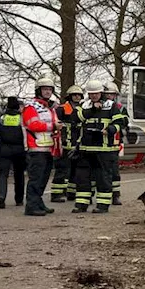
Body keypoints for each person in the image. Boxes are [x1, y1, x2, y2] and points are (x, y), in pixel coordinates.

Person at [73, 80, 119, 214]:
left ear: (101, 93)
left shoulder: (111, 106)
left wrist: (110, 129)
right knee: (82, 178)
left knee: (103, 178)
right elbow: (75, 118)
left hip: (103, 149)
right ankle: (81, 204)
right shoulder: (84, 105)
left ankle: (103, 205)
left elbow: (120, 121)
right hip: (85, 149)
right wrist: (93, 110)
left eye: (96, 93)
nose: (93, 96)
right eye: (91, 93)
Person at [21, 78, 59, 216]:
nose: (48, 92)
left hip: (48, 148)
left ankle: (38, 202)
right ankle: (31, 206)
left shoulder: (49, 107)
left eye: (50, 89)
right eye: (45, 89)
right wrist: (53, 126)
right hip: (35, 148)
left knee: (43, 178)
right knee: (36, 179)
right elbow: (32, 125)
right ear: (39, 90)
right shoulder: (31, 106)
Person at [51, 85, 83, 203]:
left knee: (76, 170)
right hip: (64, 145)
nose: (76, 97)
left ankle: (71, 193)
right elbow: (56, 124)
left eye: (79, 95)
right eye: (74, 95)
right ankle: (56, 194)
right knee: (62, 169)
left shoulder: (82, 109)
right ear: (69, 96)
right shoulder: (61, 109)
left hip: (77, 145)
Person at [0, 96, 27, 210]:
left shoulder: (2, 118)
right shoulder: (22, 118)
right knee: (19, 175)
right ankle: (19, 199)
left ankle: (1, 199)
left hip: (4, 149)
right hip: (19, 149)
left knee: (3, 175)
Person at [102, 82, 127, 205]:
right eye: (107, 94)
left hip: (115, 143)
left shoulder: (120, 108)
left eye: (111, 94)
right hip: (100, 143)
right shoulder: (99, 106)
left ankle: (115, 195)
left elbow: (124, 122)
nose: (109, 97)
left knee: (114, 170)